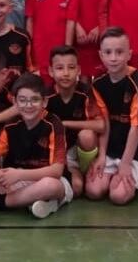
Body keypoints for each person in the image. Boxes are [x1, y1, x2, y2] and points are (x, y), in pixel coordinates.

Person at [0, 74, 71, 219]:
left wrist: (19, 175)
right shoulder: (11, 125)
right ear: (15, 102)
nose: (28, 105)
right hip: (16, 182)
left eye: (34, 100)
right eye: (23, 100)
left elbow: (56, 171)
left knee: (50, 186)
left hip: (45, 179)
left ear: (44, 102)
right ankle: (30, 202)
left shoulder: (54, 124)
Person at [85, 28, 138, 205]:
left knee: (118, 196)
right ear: (101, 55)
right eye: (108, 52)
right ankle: (112, 173)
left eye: (119, 52)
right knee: (94, 191)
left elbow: (137, 127)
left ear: (129, 54)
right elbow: (104, 122)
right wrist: (102, 155)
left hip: (135, 150)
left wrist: (125, 164)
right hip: (112, 147)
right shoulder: (98, 83)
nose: (113, 58)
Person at [44, 46, 105, 197]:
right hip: (56, 151)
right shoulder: (45, 96)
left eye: (71, 67)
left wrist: (64, 123)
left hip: (78, 148)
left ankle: (87, 171)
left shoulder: (86, 92)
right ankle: (74, 176)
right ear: (51, 71)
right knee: (76, 189)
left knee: (87, 135)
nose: (66, 73)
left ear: (78, 70)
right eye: (59, 68)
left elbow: (101, 125)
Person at [26, 0, 78, 86]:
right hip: (38, 49)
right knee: (39, 87)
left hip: (60, 49)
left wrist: (67, 52)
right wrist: (29, 49)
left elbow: (71, 22)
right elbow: (30, 20)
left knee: (59, 86)